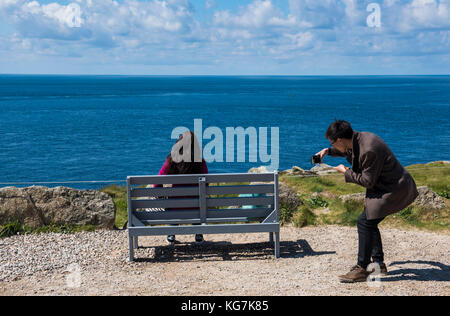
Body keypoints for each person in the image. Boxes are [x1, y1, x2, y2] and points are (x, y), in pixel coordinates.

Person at [315, 120, 419, 283]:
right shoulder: (358, 139)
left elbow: (367, 181)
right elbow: (349, 152)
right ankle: (378, 263)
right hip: (384, 187)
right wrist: (328, 151)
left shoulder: (368, 148)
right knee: (370, 219)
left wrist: (346, 171)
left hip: (395, 189)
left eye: (332, 142)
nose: (332, 144)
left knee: (364, 222)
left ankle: (362, 268)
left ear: (340, 139)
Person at [155, 131, 208, 245]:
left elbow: (157, 182)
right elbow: (206, 184)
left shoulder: (171, 161)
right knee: (197, 203)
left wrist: (160, 195)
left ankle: (171, 235)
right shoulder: (200, 162)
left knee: (173, 203)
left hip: (175, 207)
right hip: (195, 207)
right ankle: (198, 235)